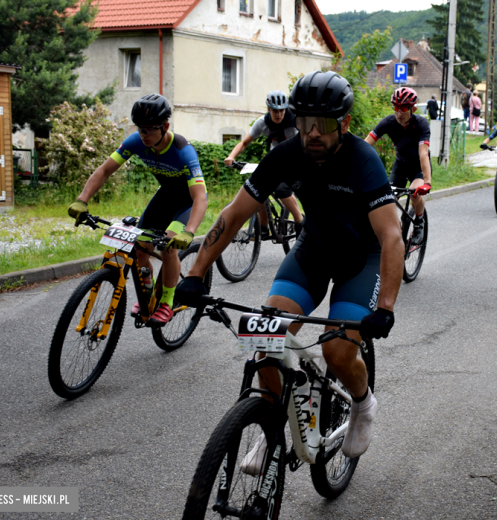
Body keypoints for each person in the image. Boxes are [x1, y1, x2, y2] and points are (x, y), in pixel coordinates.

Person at [175, 71, 404, 463]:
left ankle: (363, 405)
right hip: (312, 251)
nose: (312, 133)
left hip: (359, 261)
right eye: (304, 123)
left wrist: (385, 307)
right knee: (265, 342)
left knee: (336, 352)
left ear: (344, 124)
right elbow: (232, 215)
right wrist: (195, 274)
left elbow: (392, 237)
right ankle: (271, 425)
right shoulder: (285, 155)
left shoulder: (362, 160)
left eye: (324, 125)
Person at [67, 94, 208, 326]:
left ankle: (166, 301)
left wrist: (190, 230)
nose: (143, 135)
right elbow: (104, 171)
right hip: (165, 197)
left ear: (165, 127)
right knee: (140, 249)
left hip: (187, 202)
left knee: (169, 246)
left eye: (149, 130)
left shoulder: (183, 150)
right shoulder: (135, 142)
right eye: (139, 129)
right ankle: (149, 292)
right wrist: (82, 199)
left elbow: (200, 197)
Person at [225, 90, 304, 236]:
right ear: (268, 109)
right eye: (275, 111)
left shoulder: (295, 121)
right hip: (276, 161)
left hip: (296, 161)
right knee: (257, 187)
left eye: (282, 110)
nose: (279, 114)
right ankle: (264, 228)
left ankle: (300, 222)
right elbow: (244, 143)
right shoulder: (262, 123)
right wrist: (231, 156)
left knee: (281, 189)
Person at [366, 87, 432, 244]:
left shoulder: (421, 124)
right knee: (386, 199)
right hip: (400, 166)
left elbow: (423, 154)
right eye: (396, 108)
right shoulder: (389, 122)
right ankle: (391, 229)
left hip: (418, 168)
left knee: (414, 193)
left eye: (403, 108)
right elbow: (366, 145)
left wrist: (427, 182)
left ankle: (419, 222)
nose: (399, 113)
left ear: (413, 109)